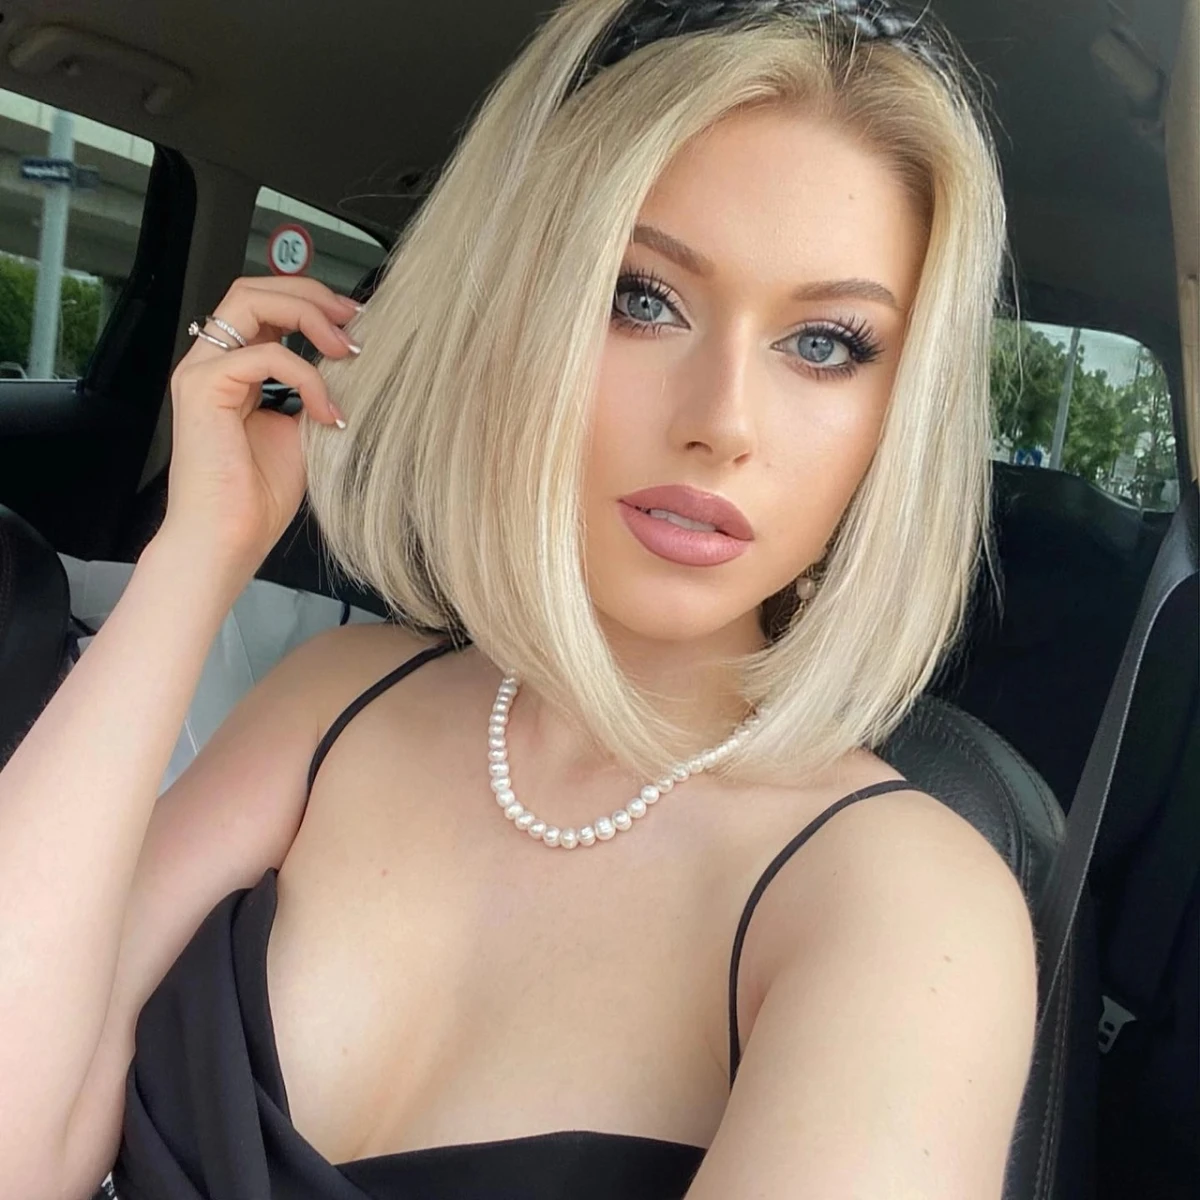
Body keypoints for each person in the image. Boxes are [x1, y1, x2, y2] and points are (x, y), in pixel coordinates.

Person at [0, 1, 1039, 1197]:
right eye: (640, 297)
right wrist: (197, 558)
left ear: (895, 423)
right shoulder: (332, 702)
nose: (723, 422)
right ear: (514, 317)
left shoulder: (905, 907)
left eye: (826, 345)